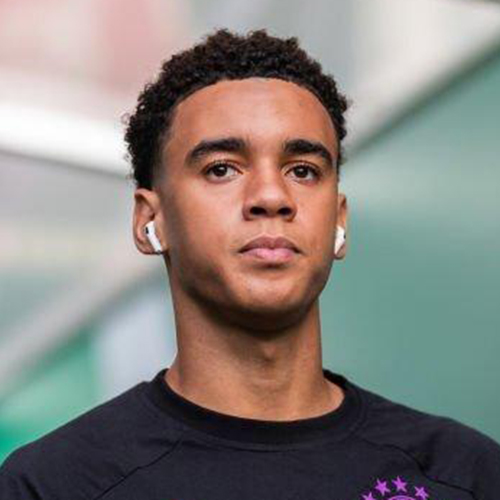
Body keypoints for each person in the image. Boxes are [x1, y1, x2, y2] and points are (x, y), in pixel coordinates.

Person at [1, 28, 499, 500]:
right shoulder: (52, 485)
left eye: (303, 170)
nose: (271, 196)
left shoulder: (466, 475)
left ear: (339, 221)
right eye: (222, 169)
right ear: (151, 221)